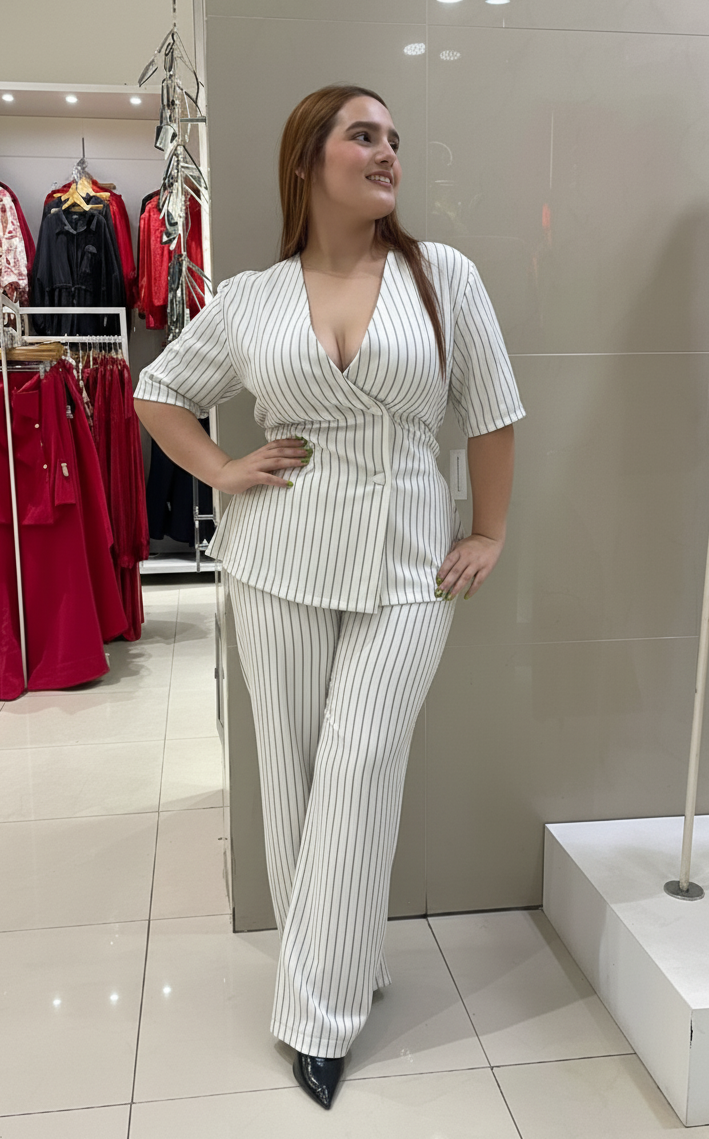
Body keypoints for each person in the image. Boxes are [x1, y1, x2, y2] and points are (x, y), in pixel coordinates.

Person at [133, 83, 526, 1110]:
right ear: (308, 158)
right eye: (363, 135)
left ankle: (316, 1019)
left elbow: (491, 410)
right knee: (295, 774)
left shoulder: (444, 277)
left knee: (359, 764)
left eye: (394, 138)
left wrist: (487, 529)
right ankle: (347, 957)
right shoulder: (252, 297)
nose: (388, 151)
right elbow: (158, 390)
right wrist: (222, 471)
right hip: (277, 560)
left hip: (408, 567)